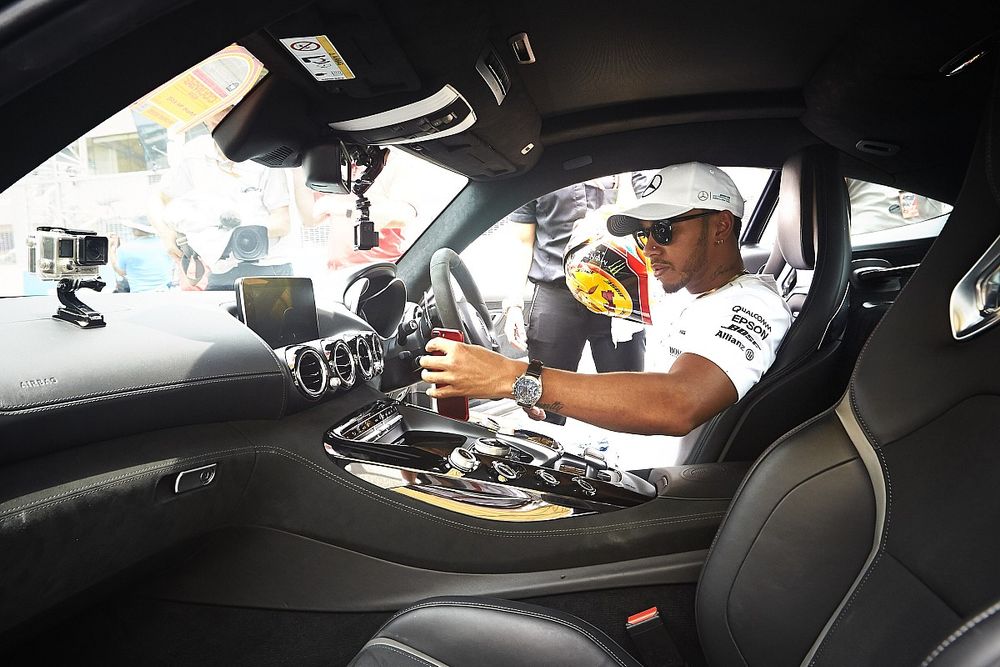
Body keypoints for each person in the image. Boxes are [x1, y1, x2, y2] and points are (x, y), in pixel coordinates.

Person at [419, 162, 793, 437]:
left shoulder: (754, 305)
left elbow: (678, 403)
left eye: (663, 231)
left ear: (721, 226)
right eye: (644, 236)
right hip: (612, 447)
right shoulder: (684, 293)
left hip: (651, 483)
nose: (650, 249)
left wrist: (513, 377)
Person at [502, 174, 647, 424]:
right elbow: (523, 243)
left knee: (627, 399)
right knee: (545, 398)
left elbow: (650, 222)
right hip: (556, 292)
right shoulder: (539, 171)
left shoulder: (631, 168)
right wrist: (513, 305)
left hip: (619, 293)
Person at [151, 108, 293, 290]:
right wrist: (166, 234)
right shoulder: (194, 153)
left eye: (230, 115)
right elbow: (157, 197)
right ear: (206, 121)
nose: (223, 124)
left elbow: (282, 221)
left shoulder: (266, 151)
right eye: (215, 122)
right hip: (219, 270)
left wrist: (234, 234)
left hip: (270, 265)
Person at [108, 216, 174, 292]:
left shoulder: (126, 248)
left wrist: (111, 249)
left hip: (139, 296)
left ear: (136, 230)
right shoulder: (166, 245)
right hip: (165, 294)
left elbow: (121, 272)